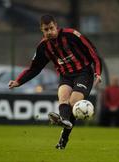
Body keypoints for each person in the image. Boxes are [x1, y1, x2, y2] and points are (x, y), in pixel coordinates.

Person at [8, 14, 102, 149]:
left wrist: (97, 72)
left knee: (74, 102)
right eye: (46, 30)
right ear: (42, 30)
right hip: (66, 76)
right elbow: (35, 68)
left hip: (84, 73)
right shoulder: (43, 47)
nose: (49, 32)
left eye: (51, 28)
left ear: (56, 26)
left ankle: (64, 137)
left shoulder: (72, 35)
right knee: (63, 98)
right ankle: (64, 121)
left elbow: (93, 53)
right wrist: (18, 81)